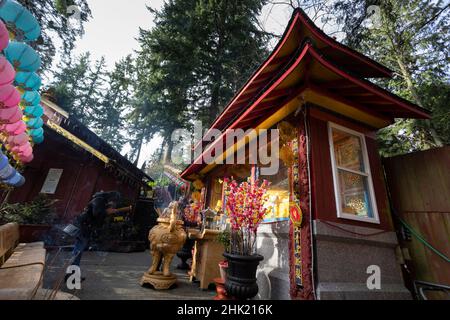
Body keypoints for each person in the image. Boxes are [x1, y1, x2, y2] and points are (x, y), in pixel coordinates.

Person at [69, 191, 121, 269]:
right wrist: (107, 211)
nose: (113, 203)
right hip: (82, 227)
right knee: (78, 251)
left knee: (78, 250)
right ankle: (72, 274)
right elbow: (96, 213)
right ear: (111, 198)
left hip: (85, 227)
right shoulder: (99, 200)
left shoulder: (102, 201)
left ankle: (73, 273)